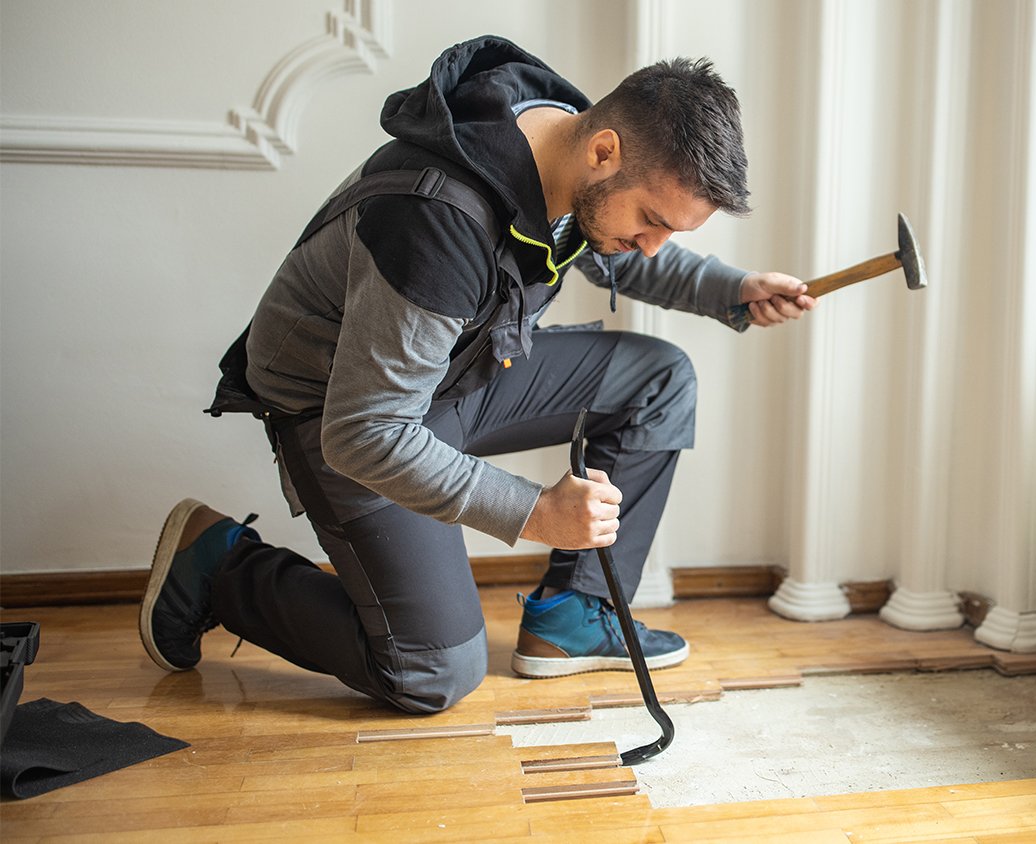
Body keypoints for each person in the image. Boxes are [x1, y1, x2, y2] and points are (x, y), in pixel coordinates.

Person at [138, 35, 814, 714]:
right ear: (603, 152)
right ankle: (218, 562)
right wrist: (534, 512)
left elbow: (610, 241)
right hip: (343, 408)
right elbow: (368, 433)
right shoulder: (437, 220)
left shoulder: (570, 140)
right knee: (431, 672)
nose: (651, 244)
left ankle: (572, 618)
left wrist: (734, 288)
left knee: (658, 381)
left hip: (456, 375)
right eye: (652, 221)